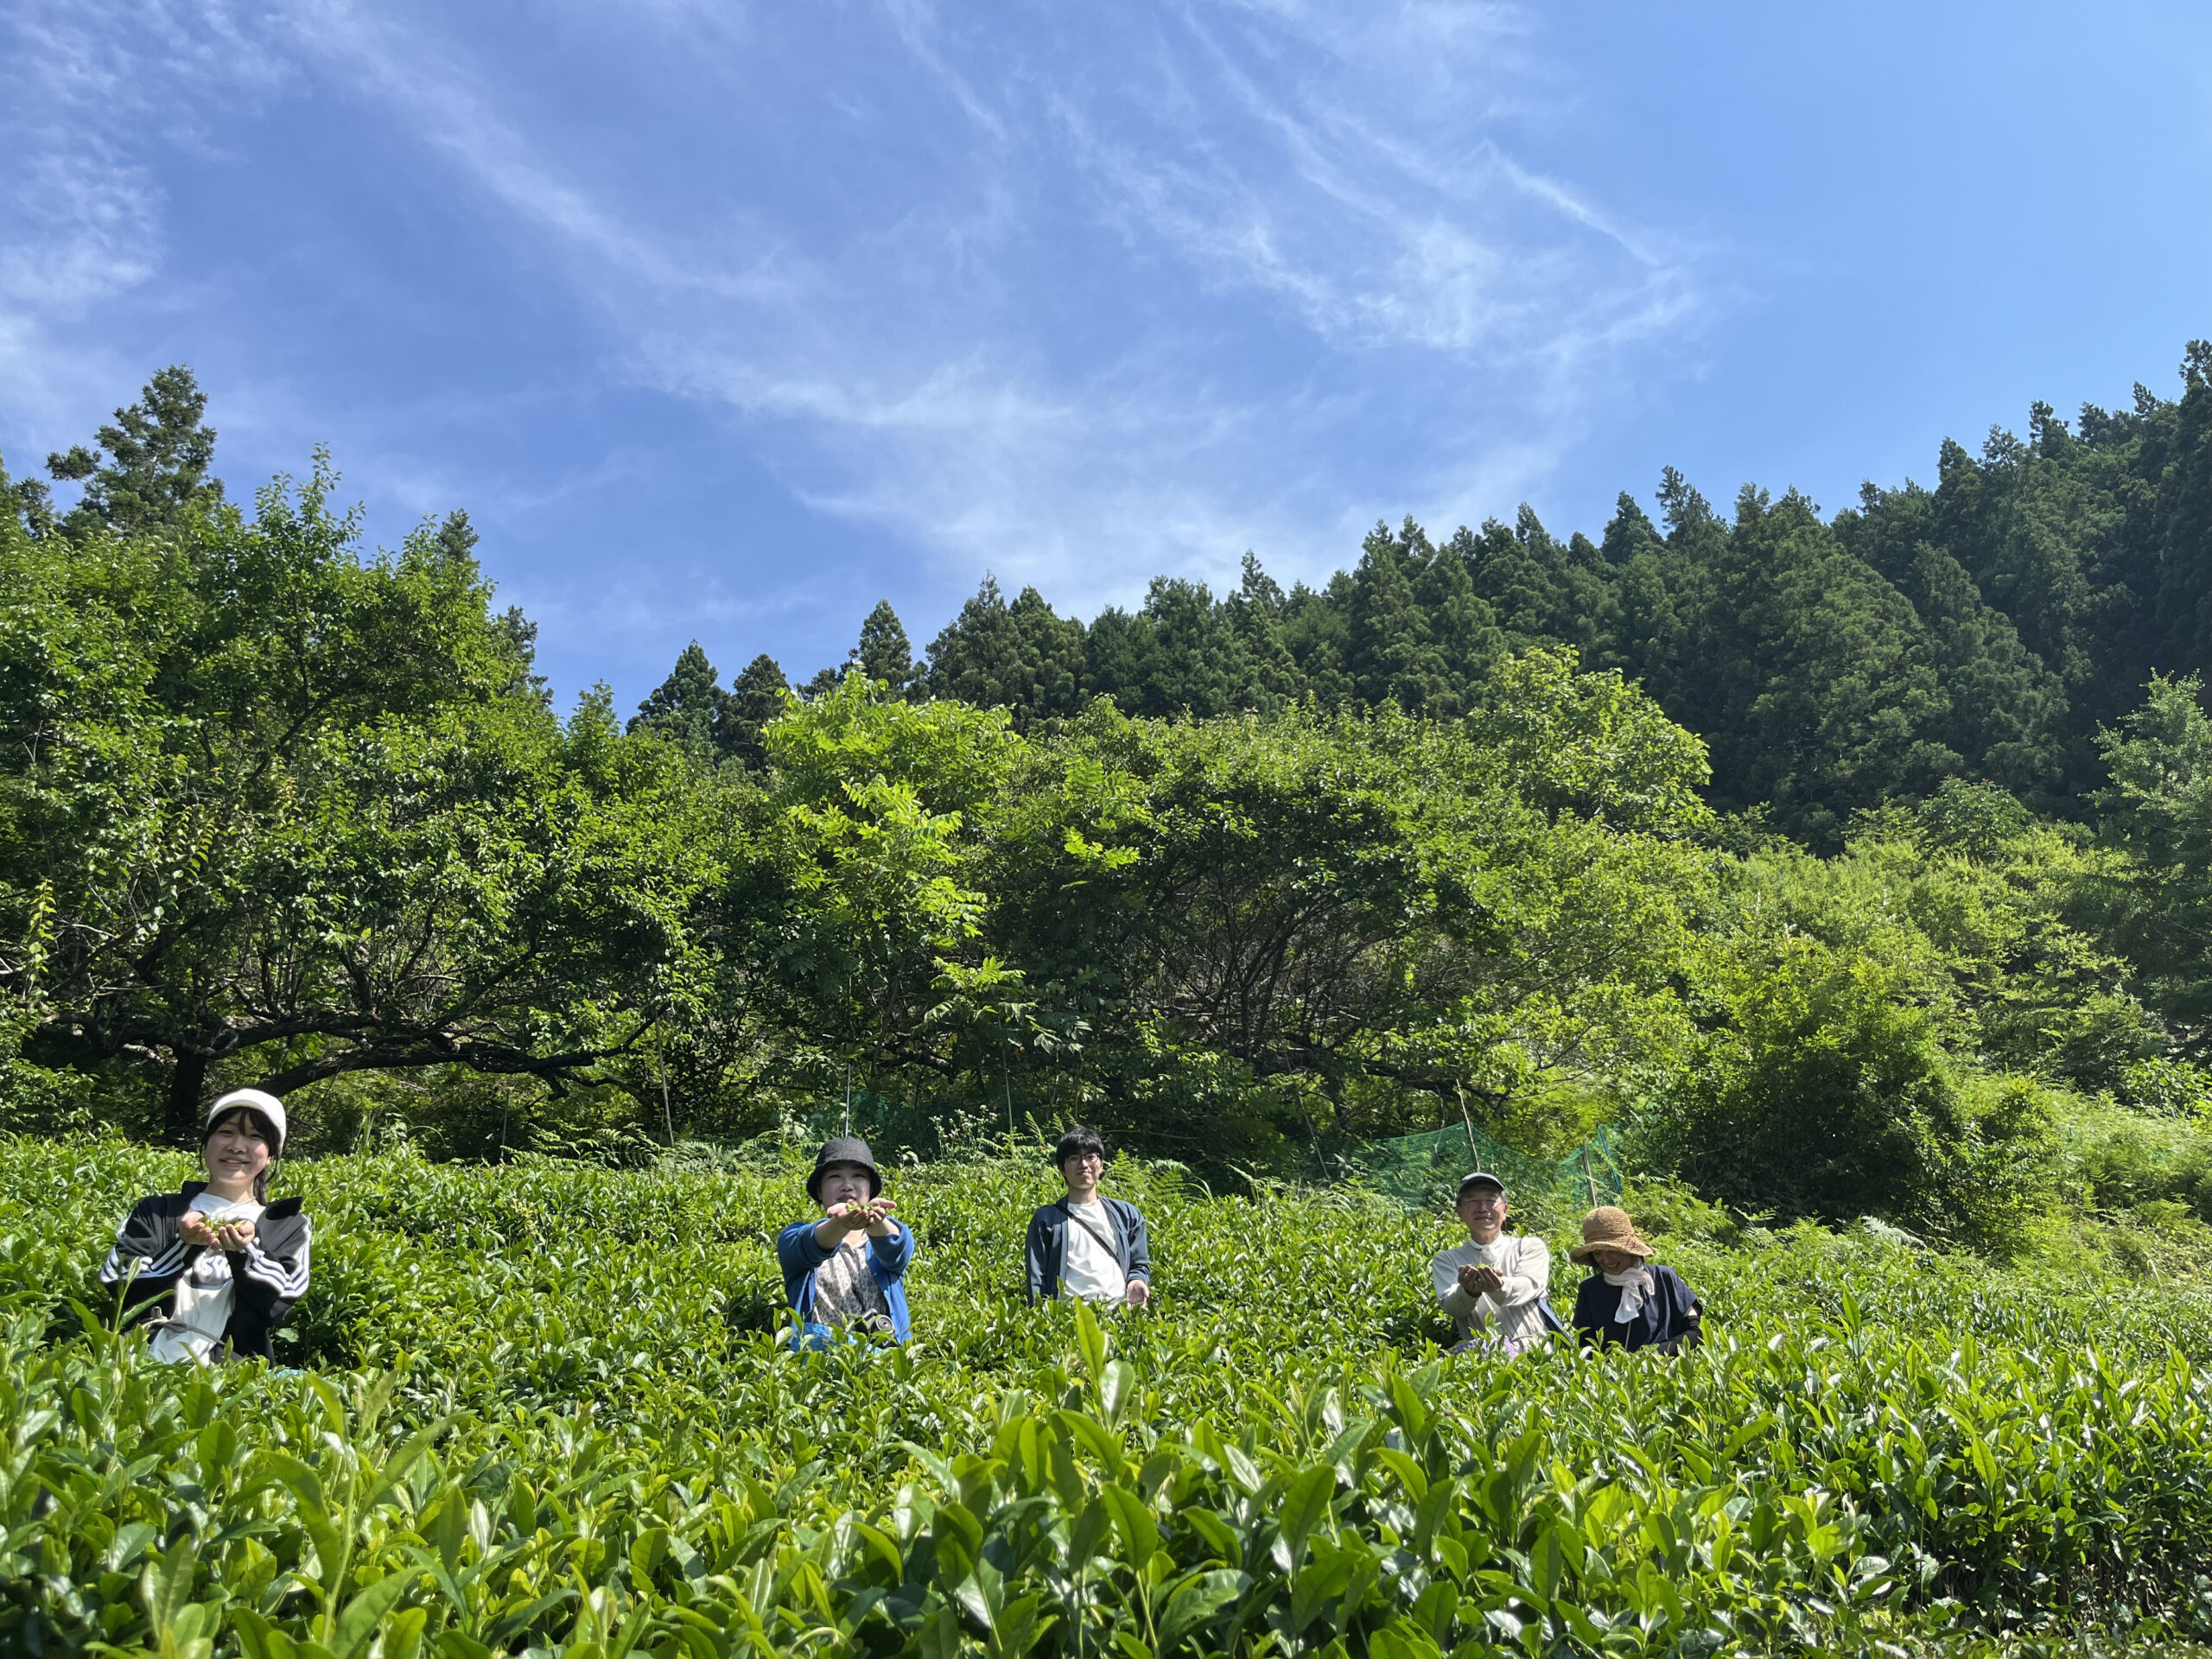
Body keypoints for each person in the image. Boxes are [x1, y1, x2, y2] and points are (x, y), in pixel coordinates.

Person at [100, 1089, 312, 1364]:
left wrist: (246, 1253)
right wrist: (183, 1245)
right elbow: (117, 1279)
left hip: (230, 1378)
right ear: (206, 1143)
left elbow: (281, 1301)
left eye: (255, 1136)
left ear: (271, 1154)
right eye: (226, 1132)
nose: (237, 1145)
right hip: (140, 1366)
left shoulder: (286, 1224)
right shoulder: (157, 1211)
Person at [776, 1137, 914, 1345]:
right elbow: (807, 1246)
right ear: (820, 1191)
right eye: (834, 1176)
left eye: (858, 1176)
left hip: (883, 1363)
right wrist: (840, 1224)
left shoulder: (882, 1239)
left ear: (870, 1189)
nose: (847, 1185)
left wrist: (875, 1221)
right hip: (816, 1364)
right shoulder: (794, 1237)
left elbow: (897, 1250)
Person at [1025, 1125, 1152, 1307]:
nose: (1083, 1164)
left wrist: (1137, 1281)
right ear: (1062, 1169)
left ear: (1101, 1165)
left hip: (1118, 1317)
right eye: (1074, 1158)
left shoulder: (1128, 1215)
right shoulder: (1046, 1220)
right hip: (1068, 1320)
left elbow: (1139, 1265)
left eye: (1091, 1157)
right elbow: (1036, 1279)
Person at [1430, 1171, 1553, 1355]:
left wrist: (1500, 1286)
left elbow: (1530, 1286)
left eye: (1490, 1200)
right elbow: (1452, 1306)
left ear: (1505, 1210)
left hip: (1537, 1353)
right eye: (1472, 1201)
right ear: (1460, 1213)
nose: (1482, 1207)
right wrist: (1468, 1291)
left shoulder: (1529, 1247)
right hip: (1484, 1360)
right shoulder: (1447, 1260)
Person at [1569, 1205, 1703, 1354]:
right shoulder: (1589, 1290)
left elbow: (1695, 1333)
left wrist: (1653, 1356)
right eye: (1598, 1253)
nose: (1606, 1260)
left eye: (1613, 1250)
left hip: (1664, 1372)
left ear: (1628, 1249)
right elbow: (1586, 1347)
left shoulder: (1664, 1278)